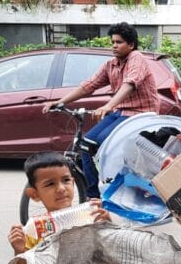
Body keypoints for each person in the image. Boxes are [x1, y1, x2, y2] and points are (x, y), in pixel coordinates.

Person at [42, 22, 159, 198]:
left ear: (131, 45)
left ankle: (121, 184)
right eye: (112, 42)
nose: (114, 45)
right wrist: (60, 102)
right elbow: (88, 86)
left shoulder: (136, 58)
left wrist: (108, 105)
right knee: (86, 144)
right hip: (119, 113)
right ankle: (93, 196)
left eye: (119, 42)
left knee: (105, 143)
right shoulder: (110, 65)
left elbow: (130, 84)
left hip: (140, 114)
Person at [8, 152, 111, 264]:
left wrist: (107, 222)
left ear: (73, 183)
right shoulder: (34, 231)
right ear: (34, 194)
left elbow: (110, 256)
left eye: (66, 180)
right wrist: (19, 250)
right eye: (50, 184)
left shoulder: (90, 216)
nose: (61, 188)